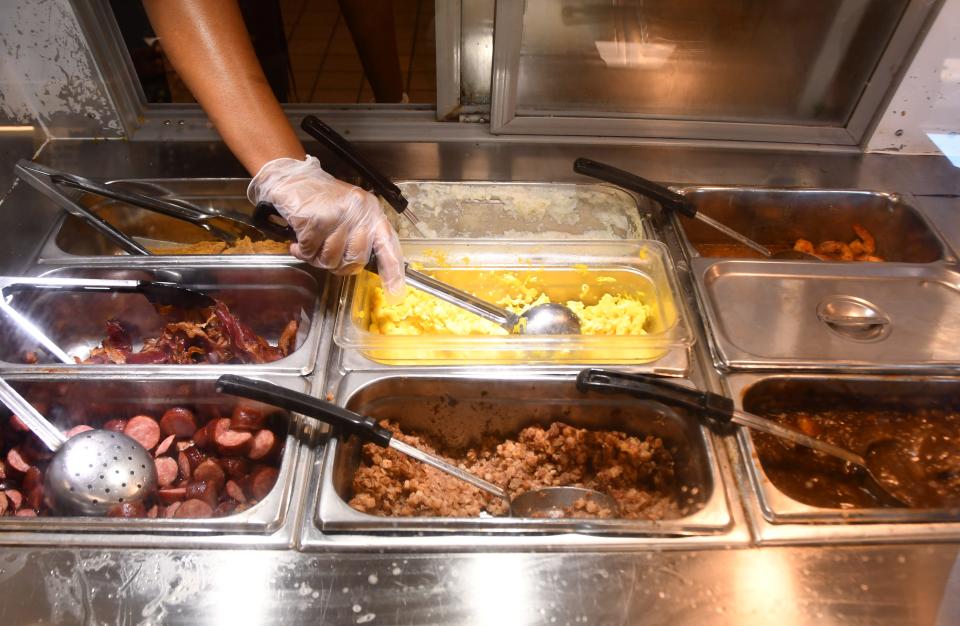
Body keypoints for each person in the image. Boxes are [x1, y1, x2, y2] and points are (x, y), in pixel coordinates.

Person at [142, 0, 405, 295]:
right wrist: (285, 170)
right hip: (195, 58)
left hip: (251, 48)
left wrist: (392, 101)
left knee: (269, 69)